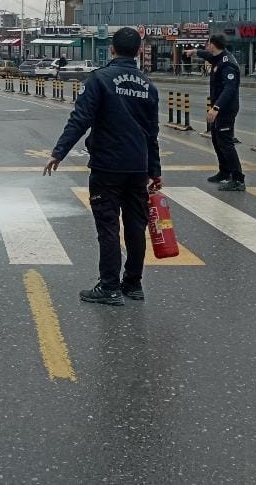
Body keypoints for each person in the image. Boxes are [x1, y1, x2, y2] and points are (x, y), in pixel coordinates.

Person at [43, 27, 162, 306]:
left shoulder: (100, 79)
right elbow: (152, 133)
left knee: (108, 226)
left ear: (111, 49)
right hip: (138, 168)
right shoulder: (149, 86)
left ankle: (109, 286)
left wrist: (58, 152)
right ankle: (133, 284)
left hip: (108, 166)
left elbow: (80, 118)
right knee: (135, 226)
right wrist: (154, 171)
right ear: (140, 52)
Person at [185, 33, 244, 191]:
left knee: (226, 143)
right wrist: (194, 52)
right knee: (216, 139)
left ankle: (238, 179)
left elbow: (229, 89)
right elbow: (207, 55)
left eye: (207, 43)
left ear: (213, 44)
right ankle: (224, 172)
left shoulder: (227, 64)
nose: (206, 46)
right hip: (218, 107)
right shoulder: (217, 57)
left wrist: (216, 108)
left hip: (225, 108)